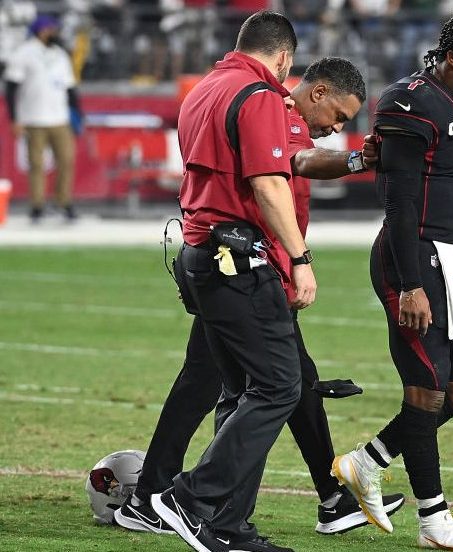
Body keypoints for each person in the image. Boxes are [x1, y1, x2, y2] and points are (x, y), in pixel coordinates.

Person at [112, 57, 405, 540]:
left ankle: (289, 505)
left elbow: (298, 161)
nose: (336, 128)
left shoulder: (223, 91)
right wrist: (301, 256)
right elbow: (294, 164)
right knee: (267, 385)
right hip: (244, 266)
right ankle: (176, 500)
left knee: (262, 382)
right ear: (318, 91)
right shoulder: (271, 107)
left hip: (233, 262)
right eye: (339, 115)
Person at [331, 12, 453, 551]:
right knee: (427, 390)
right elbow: (401, 199)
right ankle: (434, 520)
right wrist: (410, 284)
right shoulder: (409, 101)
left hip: (452, 254)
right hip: (409, 256)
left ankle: (367, 462)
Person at [147, 12, 313, 552]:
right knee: (279, 386)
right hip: (236, 258)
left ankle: (226, 525)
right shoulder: (258, 95)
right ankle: (190, 497)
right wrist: (300, 257)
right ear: (284, 58)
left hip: (199, 254)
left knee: (239, 389)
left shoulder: (203, 89)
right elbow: (267, 184)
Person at [3, 14, 81, 223]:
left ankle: (62, 203)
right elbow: (11, 88)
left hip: (60, 117)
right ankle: (37, 206)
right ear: (41, 30)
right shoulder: (24, 53)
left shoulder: (60, 54)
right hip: (34, 117)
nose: (55, 33)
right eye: (51, 29)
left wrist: (78, 113)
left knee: (67, 160)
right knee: (37, 165)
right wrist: (15, 118)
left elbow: (69, 87)